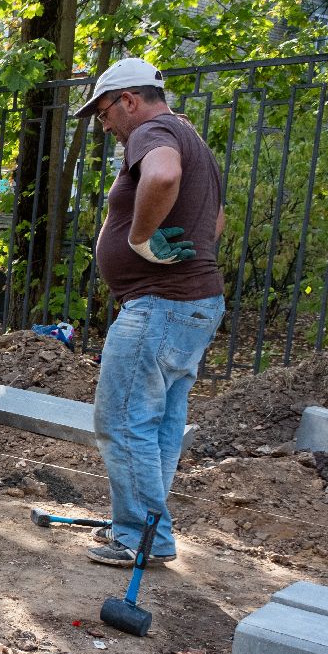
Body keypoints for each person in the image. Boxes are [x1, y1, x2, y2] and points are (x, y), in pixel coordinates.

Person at [75, 57, 226, 567]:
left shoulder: (154, 131)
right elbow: (216, 218)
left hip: (160, 308)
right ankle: (146, 530)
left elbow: (162, 176)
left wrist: (140, 240)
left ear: (129, 101)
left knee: (120, 420)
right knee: (158, 426)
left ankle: (139, 535)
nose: (104, 124)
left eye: (103, 112)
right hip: (192, 304)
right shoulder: (192, 137)